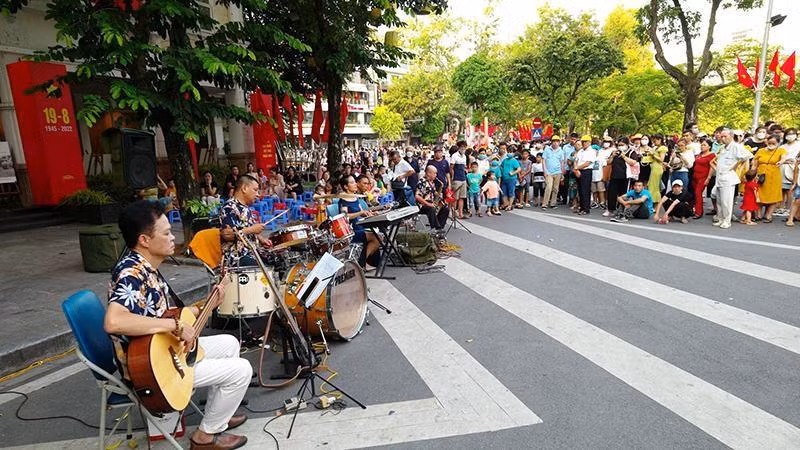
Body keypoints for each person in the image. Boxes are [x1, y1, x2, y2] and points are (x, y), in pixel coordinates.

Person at [106, 201, 251, 450]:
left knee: (230, 343)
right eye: (165, 233)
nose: (173, 238)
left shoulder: (148, 268)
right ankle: (205, 437)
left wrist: (207, 305)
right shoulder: (131, 273)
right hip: (152, 370)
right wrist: (174, 325)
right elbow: (114, 321)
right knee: (242, 370)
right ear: (144, 240)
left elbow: (170, 315)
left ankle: (218, 418)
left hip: (163, 350)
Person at [219, 175, 273, 267]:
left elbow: (246, 229)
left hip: (252, 252)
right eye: (255, 190)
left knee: (277, 260)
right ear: (244, 188)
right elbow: (226, 235)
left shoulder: (245, 208)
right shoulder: (229, 207)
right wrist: (252, 229)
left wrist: (262, 239)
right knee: (266, 268)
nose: (257, 194)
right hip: (238, 257)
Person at [713, 129, 753, 229]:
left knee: (726, 201)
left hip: (728, 176)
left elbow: (748, 155)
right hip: (719, 175)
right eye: (721, 136)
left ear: (731, 136)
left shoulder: (736, 146)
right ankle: (721, 218)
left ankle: (727, 220)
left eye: (725, 136)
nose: (723, 138)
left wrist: (737, 164)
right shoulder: (723, 147)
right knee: (719, 200)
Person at [338, 175, 380, 269]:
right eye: (352, 182)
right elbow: (344, 216)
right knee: (376, 238)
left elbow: (362, 213)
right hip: (351, 231)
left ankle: (365, 263)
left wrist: (371, 213)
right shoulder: (343, 200)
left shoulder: (355, 198)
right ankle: (361, 263)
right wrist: (360, 212)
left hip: (360, 227)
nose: (355, 184)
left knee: (378, 236)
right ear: (345, 186)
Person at [753, 135, 787, 223]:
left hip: (774, 176)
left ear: (778, 143)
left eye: (773, 143)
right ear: (766, 141)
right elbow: (754, 163)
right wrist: (753, 174)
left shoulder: (781, 150)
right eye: (769, 142)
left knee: (773, 196)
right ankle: (759, 214)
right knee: (759, 195)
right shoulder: (760, 151)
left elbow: (783, 157)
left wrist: (781, 161)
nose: (771, 144)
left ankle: (768, 215)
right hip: (761, 176)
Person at [605, 137, 640, 217]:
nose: (620, 146)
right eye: (619, 145)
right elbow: (608, 162)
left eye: (622, 145)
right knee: (611, 193)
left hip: (625, 176)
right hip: (614, 175)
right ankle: (610, 209)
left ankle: (621, 209)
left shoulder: (631, 152)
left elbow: (633, 162)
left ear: (627, 144)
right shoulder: (615, 152)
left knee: (623, 194)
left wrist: (624, 156)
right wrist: (612, 156)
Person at [416, 166, 450, 230]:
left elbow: (432, 191)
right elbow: (417, 196)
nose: (436, 175)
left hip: (431, 203)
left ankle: (439, 228)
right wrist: (428, 204)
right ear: (429, 173)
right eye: (434, 173)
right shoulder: (422, 182)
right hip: (422, 205)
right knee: (431, 209)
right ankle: (435, 228)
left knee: (446, 209)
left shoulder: (432, 182)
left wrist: (438, 195)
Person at [692, 138, 717, 219]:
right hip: (695, 176)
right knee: (695, 194)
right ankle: (695, 210)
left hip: (703, 177)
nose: (702, 146)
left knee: (698, 193)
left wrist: (708, 178)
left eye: (704, 145)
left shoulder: (712, 155)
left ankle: (698, 212)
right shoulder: (699, 154)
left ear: (709, 146)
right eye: (701, 145)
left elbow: (711, 168)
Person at [778, 128, 800, 216]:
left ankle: (789, 208)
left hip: (795, 168)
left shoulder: (799, 145)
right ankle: (781, 207)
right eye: (789, 134)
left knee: (790, 189)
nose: (790, 136)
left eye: (792, 134)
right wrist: (785, 161)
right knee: (782, 188)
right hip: (783, 168)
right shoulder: (782, 146)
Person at [573, 135, 596, 215]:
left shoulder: (592, 151)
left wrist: (577, 168)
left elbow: (587, 163)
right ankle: (581, 207)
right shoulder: (580, 151)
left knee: (585, 190)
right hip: (578, 171)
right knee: (580, 190)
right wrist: (576, 169)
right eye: (583, 142)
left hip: (586, 171)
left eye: (585, 142)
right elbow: (576, 160)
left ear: (589, 142)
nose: (584, 143)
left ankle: (586, 209)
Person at [541, 136, 565, 209]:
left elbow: (562, 162)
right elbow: (543, 160)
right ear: (551, 142)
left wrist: (562, 173)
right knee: (548, 187)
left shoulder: (561, 151)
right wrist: (544, 171)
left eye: (557, 141)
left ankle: (553, 203)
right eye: (554, 141)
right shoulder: (547, 149)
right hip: (548, 172)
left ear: (559, 142)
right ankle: (544, 204)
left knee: (555, 189)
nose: (555, 143)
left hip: (558, 172)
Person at [645, 134, 668, 204]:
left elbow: (661, 159)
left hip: (658, 168)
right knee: (651, 185)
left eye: (655, 141)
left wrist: (653, 155)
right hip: (653, 167)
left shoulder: (663, 148)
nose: (654, 142)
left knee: (655, 186)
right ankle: (651, 201)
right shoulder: (655, 147)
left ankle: (655, 202)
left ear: (659, 140)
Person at [498, 145, 521, 211]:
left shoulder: (514, 161)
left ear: (514, 153)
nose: (510, 153)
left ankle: (510, 205)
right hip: (504, 178)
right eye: (509, 151)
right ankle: (506, 204)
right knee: (504, 192)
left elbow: (519, 169)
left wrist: (513, 173)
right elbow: (501, 166)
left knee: (511, 192)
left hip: (512, 179)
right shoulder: (505, 160)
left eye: (511, 152)